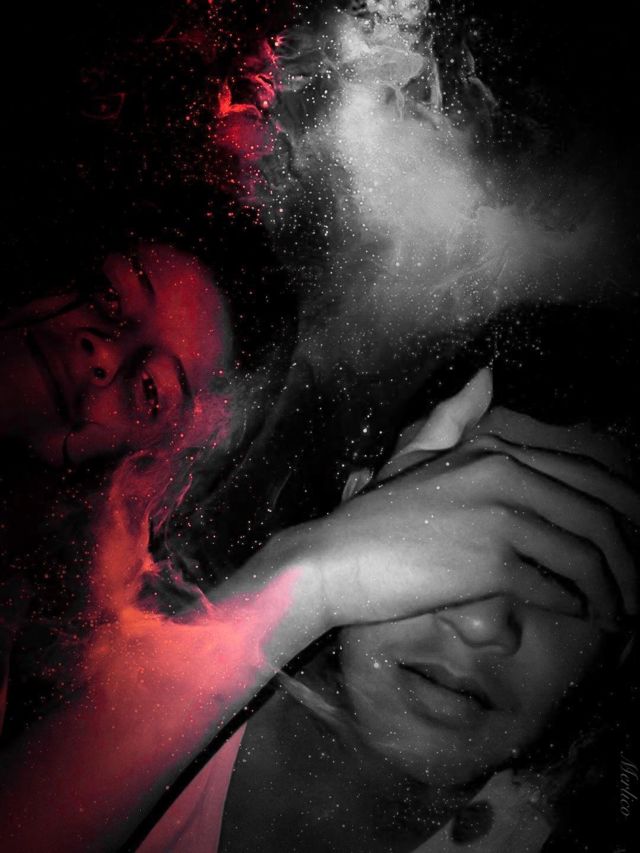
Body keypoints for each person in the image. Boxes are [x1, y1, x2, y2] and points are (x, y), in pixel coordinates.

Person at [1, 305, 637, 852]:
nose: (481, 623)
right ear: (351, 515)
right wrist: (307, 581)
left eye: (563, 570)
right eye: (449, 533)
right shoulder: (87, 681)